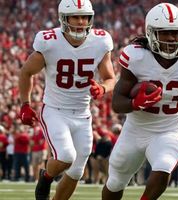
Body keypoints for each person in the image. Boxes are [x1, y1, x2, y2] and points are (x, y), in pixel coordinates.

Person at [102, 3, 178, 200]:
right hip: (135, 129)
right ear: (151, 33)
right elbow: (117, 102)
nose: (173, 38)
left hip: (169, 129)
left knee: (164, 166)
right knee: (115, 182)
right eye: (166, 33)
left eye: (177, 33)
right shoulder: (136, 56)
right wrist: (134, 104)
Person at [18, 0, 116, 199]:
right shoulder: (49, 41)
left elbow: (110, 77)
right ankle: (46, 176)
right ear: (64, 18)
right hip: (55, 110)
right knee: (65, 157)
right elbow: (26, 72)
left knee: (76, 171)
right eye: (76, 17)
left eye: (85, 17)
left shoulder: (100, 41)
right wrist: (25, 104)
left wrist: (103, 88)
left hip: (83, 114)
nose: (81, 22)